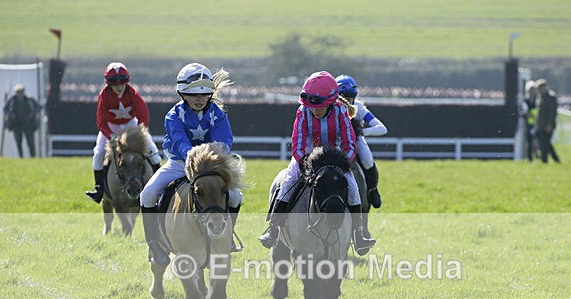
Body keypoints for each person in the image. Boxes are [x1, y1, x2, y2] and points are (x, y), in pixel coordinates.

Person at [258, 71, 376, 253]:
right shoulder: (303, 111)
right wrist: (303, 161)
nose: (314, 110)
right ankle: (274, 227)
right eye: (311, 106)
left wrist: (344, 162)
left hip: (335, 158)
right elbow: (297, 141)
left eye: (319, 106)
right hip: (307, 157)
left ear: (330, 102)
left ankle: (359, 234)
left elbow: (349, 143)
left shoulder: (341, 111)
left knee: (352, 186)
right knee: (288, 181)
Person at [139, 63, 241, 266]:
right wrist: (192, 157)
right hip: (178, 164)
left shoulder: (218, 115)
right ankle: (154, 244)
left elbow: (224, 142)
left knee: (236, 196)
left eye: (204, 95)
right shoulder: (174, 115)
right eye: (193, 94)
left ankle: (226, 238)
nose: (199, 99)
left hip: (210, 167)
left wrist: (210, 159)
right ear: (182, 94)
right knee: (148, 194)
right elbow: (179, 141)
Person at [86, 62, 162, 204]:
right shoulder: (104, 95)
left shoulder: (132, 93)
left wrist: (140, 130)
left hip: (131, 125)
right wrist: (110, 136)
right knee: (98, 153)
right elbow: (101, 122)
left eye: (122, 83)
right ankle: (99, 189)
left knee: (153, 151)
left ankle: (161, 187)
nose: (119, 87)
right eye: (115, 84)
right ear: (109, 84)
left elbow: (143, 114)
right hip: (111, 127)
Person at [335, 74, 387, 207]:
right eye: (342, 98)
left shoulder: (359, 107)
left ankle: (373, 190)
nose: (346, 102)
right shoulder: (329, 107)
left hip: (355, 139)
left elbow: (382, 128)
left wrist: (361, 132)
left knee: (367, 159)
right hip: (335, 139)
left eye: (349, 98)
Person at [3, 84, 40, 158]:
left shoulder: (30, 100)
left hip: (28, 124)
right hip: (16, 124)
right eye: (18, 92)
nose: (19, 94)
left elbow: (39, 107)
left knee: (30, 142)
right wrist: (11, 114)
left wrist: (33, 113)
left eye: (20, 92)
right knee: (18, 142)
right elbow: (5, 109)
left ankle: (33, 157)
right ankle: (21, 157)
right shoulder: (12, 100)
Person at [534, 79, 560, 163]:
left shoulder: (551, 97)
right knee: (544, 143)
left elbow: (552, 113)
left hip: (547, 125)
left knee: (546, 143)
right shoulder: (540, 97)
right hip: (541, 125)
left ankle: (545, 160)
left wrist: (550, 125)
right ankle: (553, 159)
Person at [520, 80, 538, 162]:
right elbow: (522, 112)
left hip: (537, 123)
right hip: (529, 124)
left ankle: (538, 155)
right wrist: (526, 115)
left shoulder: (538, 100)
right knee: (530, 141)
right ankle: (530, 157)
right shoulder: (525, 100)